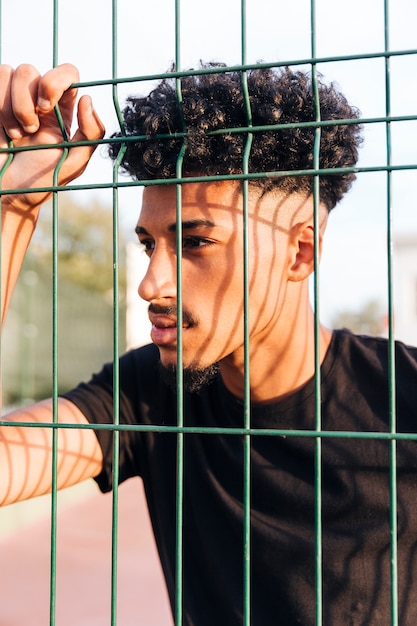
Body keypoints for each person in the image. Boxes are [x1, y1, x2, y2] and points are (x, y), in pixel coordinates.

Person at [1, 61, 416, 625]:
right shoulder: (148, 395)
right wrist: (15, 205)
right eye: (149, 245)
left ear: (300, 253)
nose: (151, 282)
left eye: (195, 242)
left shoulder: (404, 397)